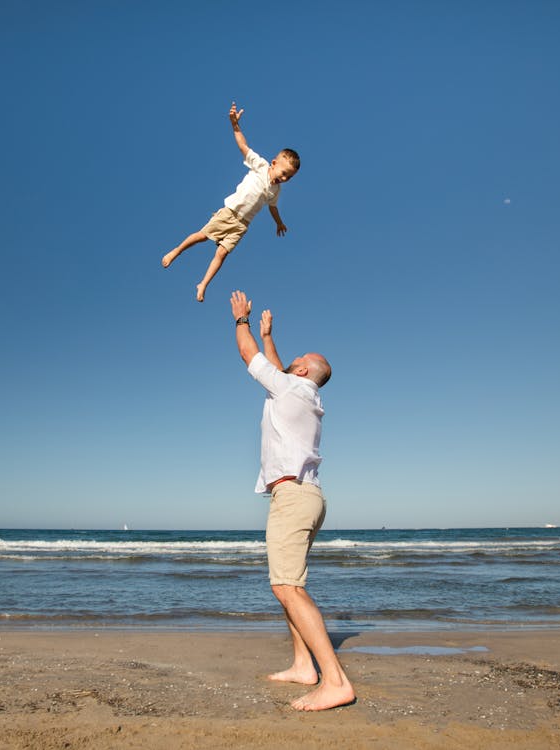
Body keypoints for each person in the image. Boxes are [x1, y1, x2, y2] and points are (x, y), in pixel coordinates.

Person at [229, 290, 355, 711]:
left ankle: (335, 681)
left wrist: (243, 322)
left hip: (293, 496)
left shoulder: (288, 388)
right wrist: (271, 337)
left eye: (295, 360)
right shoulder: (307, 395)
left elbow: (252, 359)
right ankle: (304, 665)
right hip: (309, 496)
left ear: (301, 370)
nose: (289, 362)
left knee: (285, 587)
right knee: (293, 584)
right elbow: (281, 370)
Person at [162, 104, 299, 302]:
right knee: (202, 236)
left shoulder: (275, 190)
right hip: (229, 213)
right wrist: (235, 126)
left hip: (242, 225)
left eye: (289, 178)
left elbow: (273, 207)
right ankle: (176, 251)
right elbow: (243, 146)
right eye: (284, 173)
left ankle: (203, 284)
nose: (284, 179)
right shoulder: (260, 166)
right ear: (274, 163)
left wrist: (278, 222)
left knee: (221, 254)